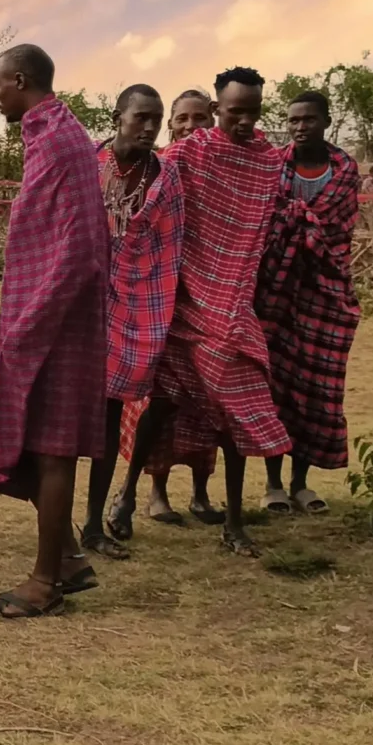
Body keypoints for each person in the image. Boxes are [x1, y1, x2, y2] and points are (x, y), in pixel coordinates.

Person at [0, 46, 112, 617]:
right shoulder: (50, 136)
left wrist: (35, 320)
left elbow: (80, 248)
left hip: (58, 319)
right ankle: (71, 560)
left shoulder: (59, 139)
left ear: (21, 80)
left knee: (53, 450)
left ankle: (43, 583)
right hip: (46, 315)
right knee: (36, 443)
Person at [141, 66, 291, 557]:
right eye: (234, 112)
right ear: (217, 112)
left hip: (232, 307)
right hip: (182, 302)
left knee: (233, 409)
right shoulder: (188, 154)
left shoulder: (269, 163)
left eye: (253, 112)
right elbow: (149, 209)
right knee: (163, 404)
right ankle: (128, 499)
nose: (244, 121)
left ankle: (232, 520)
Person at [108, 87, 222, 532]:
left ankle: (200, 491)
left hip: (203, 293)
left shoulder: (221, 169)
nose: (191, 128)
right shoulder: (161, 168)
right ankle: (142, 491)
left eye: (200, 120)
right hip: (155, 297)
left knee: (207, 399)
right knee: (157, 404)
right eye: (183, 120)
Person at [86, 85, 185, 559]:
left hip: (134, 310)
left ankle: (92, 525)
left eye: (157, 119)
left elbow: (169, 250)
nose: (149, 128)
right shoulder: (86, 165)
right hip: (80, 307)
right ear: (117, 116)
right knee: (66, 421)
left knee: (107, 417)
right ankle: (58, 525)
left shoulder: (165, 179)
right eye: (141, 117)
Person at [255, 89, 361, 515]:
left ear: (326, 121)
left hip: (323, 291)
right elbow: (263, 220)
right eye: (294, 120)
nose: (300, 128)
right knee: (275, 386)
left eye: (309, 120)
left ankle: (302, 483)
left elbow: (337, 232)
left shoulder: (345, 171)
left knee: (315, 387)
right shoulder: (272, 167)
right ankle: (273, 484)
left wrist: (300, 225)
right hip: (274, 293)